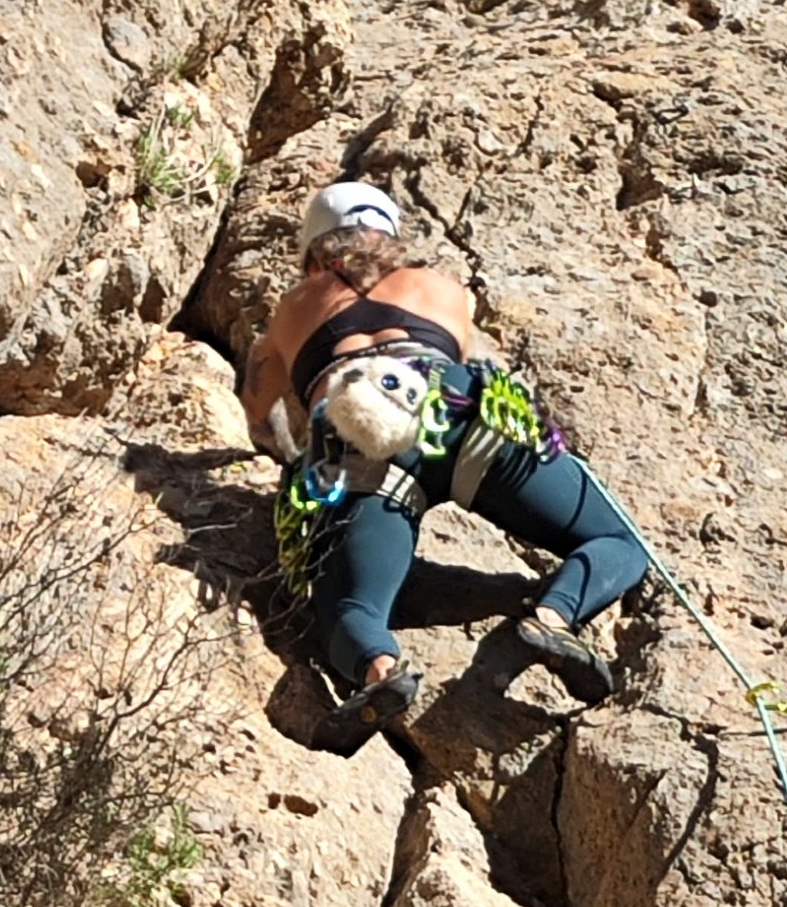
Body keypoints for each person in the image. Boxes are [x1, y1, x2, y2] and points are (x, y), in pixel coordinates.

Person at [240, 180, 651, 752]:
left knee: (346, 605)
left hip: (359, 442)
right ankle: (554, 621)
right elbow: (453, 347)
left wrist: (292, 459)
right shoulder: (439, 286)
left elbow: (260, 414)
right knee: (618, 540)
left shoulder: (294, 308)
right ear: (389, 235)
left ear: (313, 250)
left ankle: (381, 673)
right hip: (461, 416)